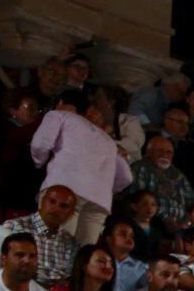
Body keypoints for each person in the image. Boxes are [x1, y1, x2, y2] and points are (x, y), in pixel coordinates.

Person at [29, 88, 131, 245]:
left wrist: (38, 163)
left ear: (60, 103)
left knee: (54, 245)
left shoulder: (58, 115)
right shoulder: (108, 140)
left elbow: (40, 144)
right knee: (83, 257)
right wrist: (106, 187)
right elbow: (126, 177)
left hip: (65, 191)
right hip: (99, 201)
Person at [5, 183, 79, 285]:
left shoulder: (70, 242)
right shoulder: (14, 227)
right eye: (52, 201)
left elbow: (66, 280)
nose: (56, 208)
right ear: (41, 201)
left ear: (70, 213)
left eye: (63, 206)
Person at [127, 135, 194, 231]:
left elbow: (192, 202)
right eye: (159, 151)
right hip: (152, 223)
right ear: (148, 153)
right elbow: (139, 201)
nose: (164, 155)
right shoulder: (140, 168)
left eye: (169, 152)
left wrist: (186, 221)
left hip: (181, 226)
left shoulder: (177, 173)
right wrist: (164, 218)